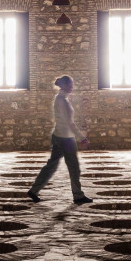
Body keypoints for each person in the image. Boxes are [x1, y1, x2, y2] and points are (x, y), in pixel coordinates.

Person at [27, 75, 93, 205]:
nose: (72, 87)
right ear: (65, 86)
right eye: (71, 85)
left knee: (51, 166)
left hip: (58, 136)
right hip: (66, 139)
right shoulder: (62, 101)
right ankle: (78, 195)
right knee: (74, 168)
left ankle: (34, 190)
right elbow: (70, 123)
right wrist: (81, 138)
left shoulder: (60, 98)